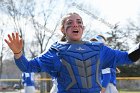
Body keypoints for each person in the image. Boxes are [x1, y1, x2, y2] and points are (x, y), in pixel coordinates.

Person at [4, 12, 140, 93]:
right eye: (70, 22)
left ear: (83, 28)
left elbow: (129, 57)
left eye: (79, 22)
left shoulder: (99, 49)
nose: (75, 25)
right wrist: (18, 53)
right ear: (62, 29)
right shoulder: (55, 50)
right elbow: (27, 67)